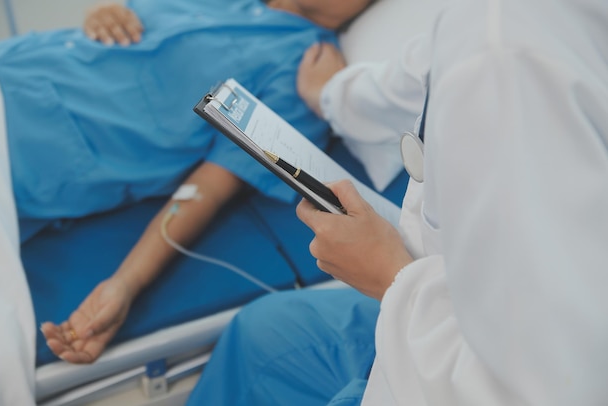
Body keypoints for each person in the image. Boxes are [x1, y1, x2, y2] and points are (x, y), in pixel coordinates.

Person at [186, 0, 608, 404]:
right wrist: (330, 93)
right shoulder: (486, 30)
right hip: (442, 306)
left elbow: (545, 389)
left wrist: (389, 275)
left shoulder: (503, 57)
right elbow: (415, 77)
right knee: (260, 332)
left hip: (456, 363)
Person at [0, 0, 374, 365]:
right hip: (1, 68)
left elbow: (209, 189)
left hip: (16, 152)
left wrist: (125, 284)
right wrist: (106, 11)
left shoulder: (304, 68)